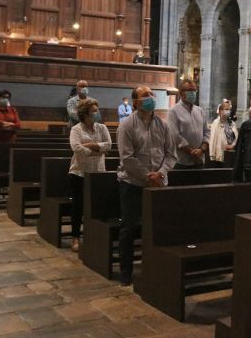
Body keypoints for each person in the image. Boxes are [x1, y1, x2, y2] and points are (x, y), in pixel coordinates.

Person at [116, 85, 177, 286]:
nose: (150, 97)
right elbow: (127, 157)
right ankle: (126, 272)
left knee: (158, 226)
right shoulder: (126, 125)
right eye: (145, 95)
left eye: (151, 94)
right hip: (132, 183)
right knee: (129, 227)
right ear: (135, 102)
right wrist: (146, 175)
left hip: (158, 183)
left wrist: (160, 173)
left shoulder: (163, 125)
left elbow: (171, 154)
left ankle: (157, 268)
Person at [68, 99, 111, 252]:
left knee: (98, 206)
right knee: (78, 206)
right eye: (94, 111)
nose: (97, 113)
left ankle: (96, 236)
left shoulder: (102, 128)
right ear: (85, 114)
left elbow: (108, 146)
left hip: (98, 172)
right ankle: (75, 237)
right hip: (79, 172)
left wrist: (91, 146)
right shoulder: (76, 129)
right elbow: (76, 147)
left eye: (97, 110)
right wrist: (97, 150)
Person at [168, 79, 210, 169]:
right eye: (190, 91)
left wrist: (201, 150)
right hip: (182, 162)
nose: (193, 93)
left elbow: (207, 132)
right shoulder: (173, 111)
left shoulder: (200, 111)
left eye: (194, 90)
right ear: (181, 92)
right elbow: (175, 136)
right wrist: (192, 152)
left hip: (199, 160)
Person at [209, 99, 238, 166]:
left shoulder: (232, 123)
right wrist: (212, 155)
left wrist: (233, 145)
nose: (228, 111)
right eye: (226, 109)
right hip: (219, 156)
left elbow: (236, 137)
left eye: (229, 109)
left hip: (231, 153)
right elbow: (213, 140)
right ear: (220, 111)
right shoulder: (216, 123)